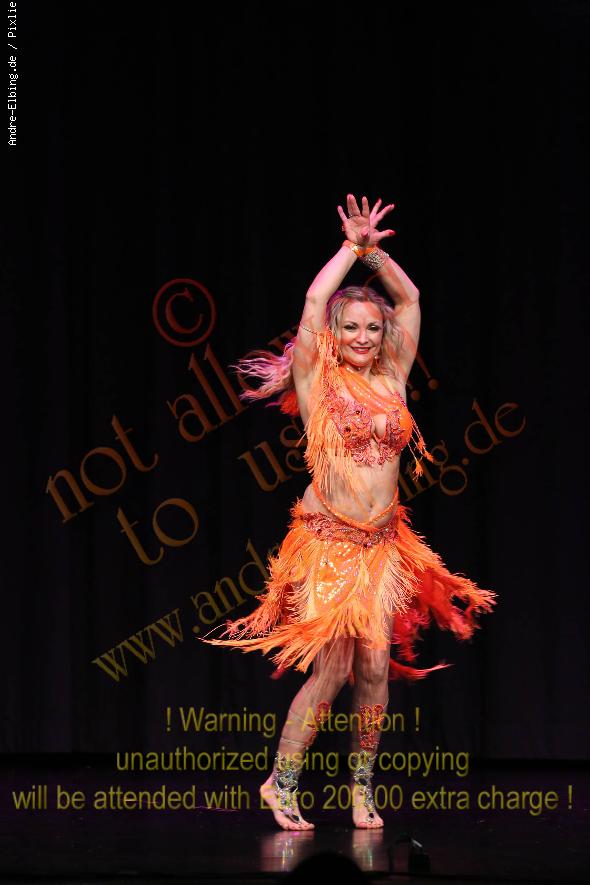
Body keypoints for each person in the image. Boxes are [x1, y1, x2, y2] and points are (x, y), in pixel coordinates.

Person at [201, 194, 496, 831]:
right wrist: (348, 249)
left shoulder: (393, 377)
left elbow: (410, 300)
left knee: (373, 670)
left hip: (382, 542)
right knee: (333, 669)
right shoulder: (317, 380)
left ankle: (362, 789)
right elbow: (315, 301)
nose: (363, 337)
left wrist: (376, 255)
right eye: (352, 328)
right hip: (329, 540)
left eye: (372, 328)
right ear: (334, 335)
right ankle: (281, 782)